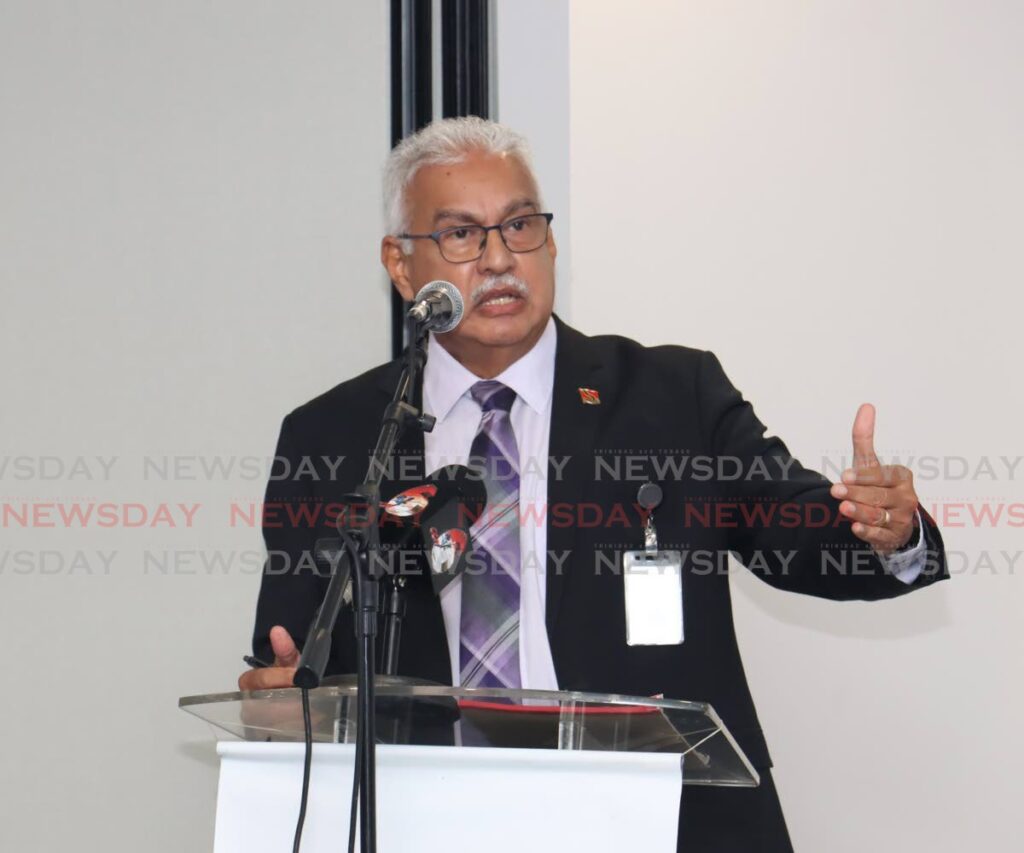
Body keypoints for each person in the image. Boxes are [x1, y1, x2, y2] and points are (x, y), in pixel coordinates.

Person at [239, 117, 947, 851]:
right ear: (401, 264)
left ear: (549, 240)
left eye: (519, 225)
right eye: (461, 234)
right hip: (431, 819)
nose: (498, 259)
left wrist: (886, 531)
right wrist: (282, 689)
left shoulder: (672, 395)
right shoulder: (336, 432)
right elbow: (289, 650)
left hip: (657, 819)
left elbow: (795, 533)